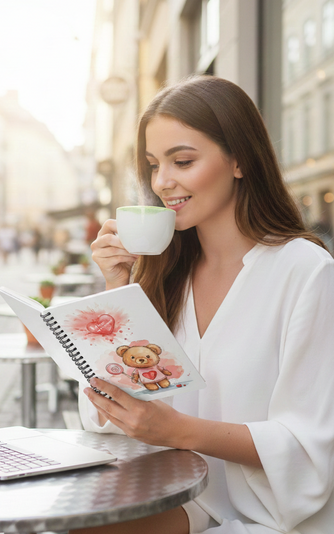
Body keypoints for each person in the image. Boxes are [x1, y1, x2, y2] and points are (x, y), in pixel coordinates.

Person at [74, 76, 334, 534]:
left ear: (238, 160)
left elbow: (310, 444)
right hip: (191, 496)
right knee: (72, 522)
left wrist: (177, 430)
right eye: (154, 165)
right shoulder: (164, 270)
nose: (163, 182)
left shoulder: (306, 272)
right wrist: (117, 294)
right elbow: (108, 413)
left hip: (271, 516)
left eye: (183, 161)